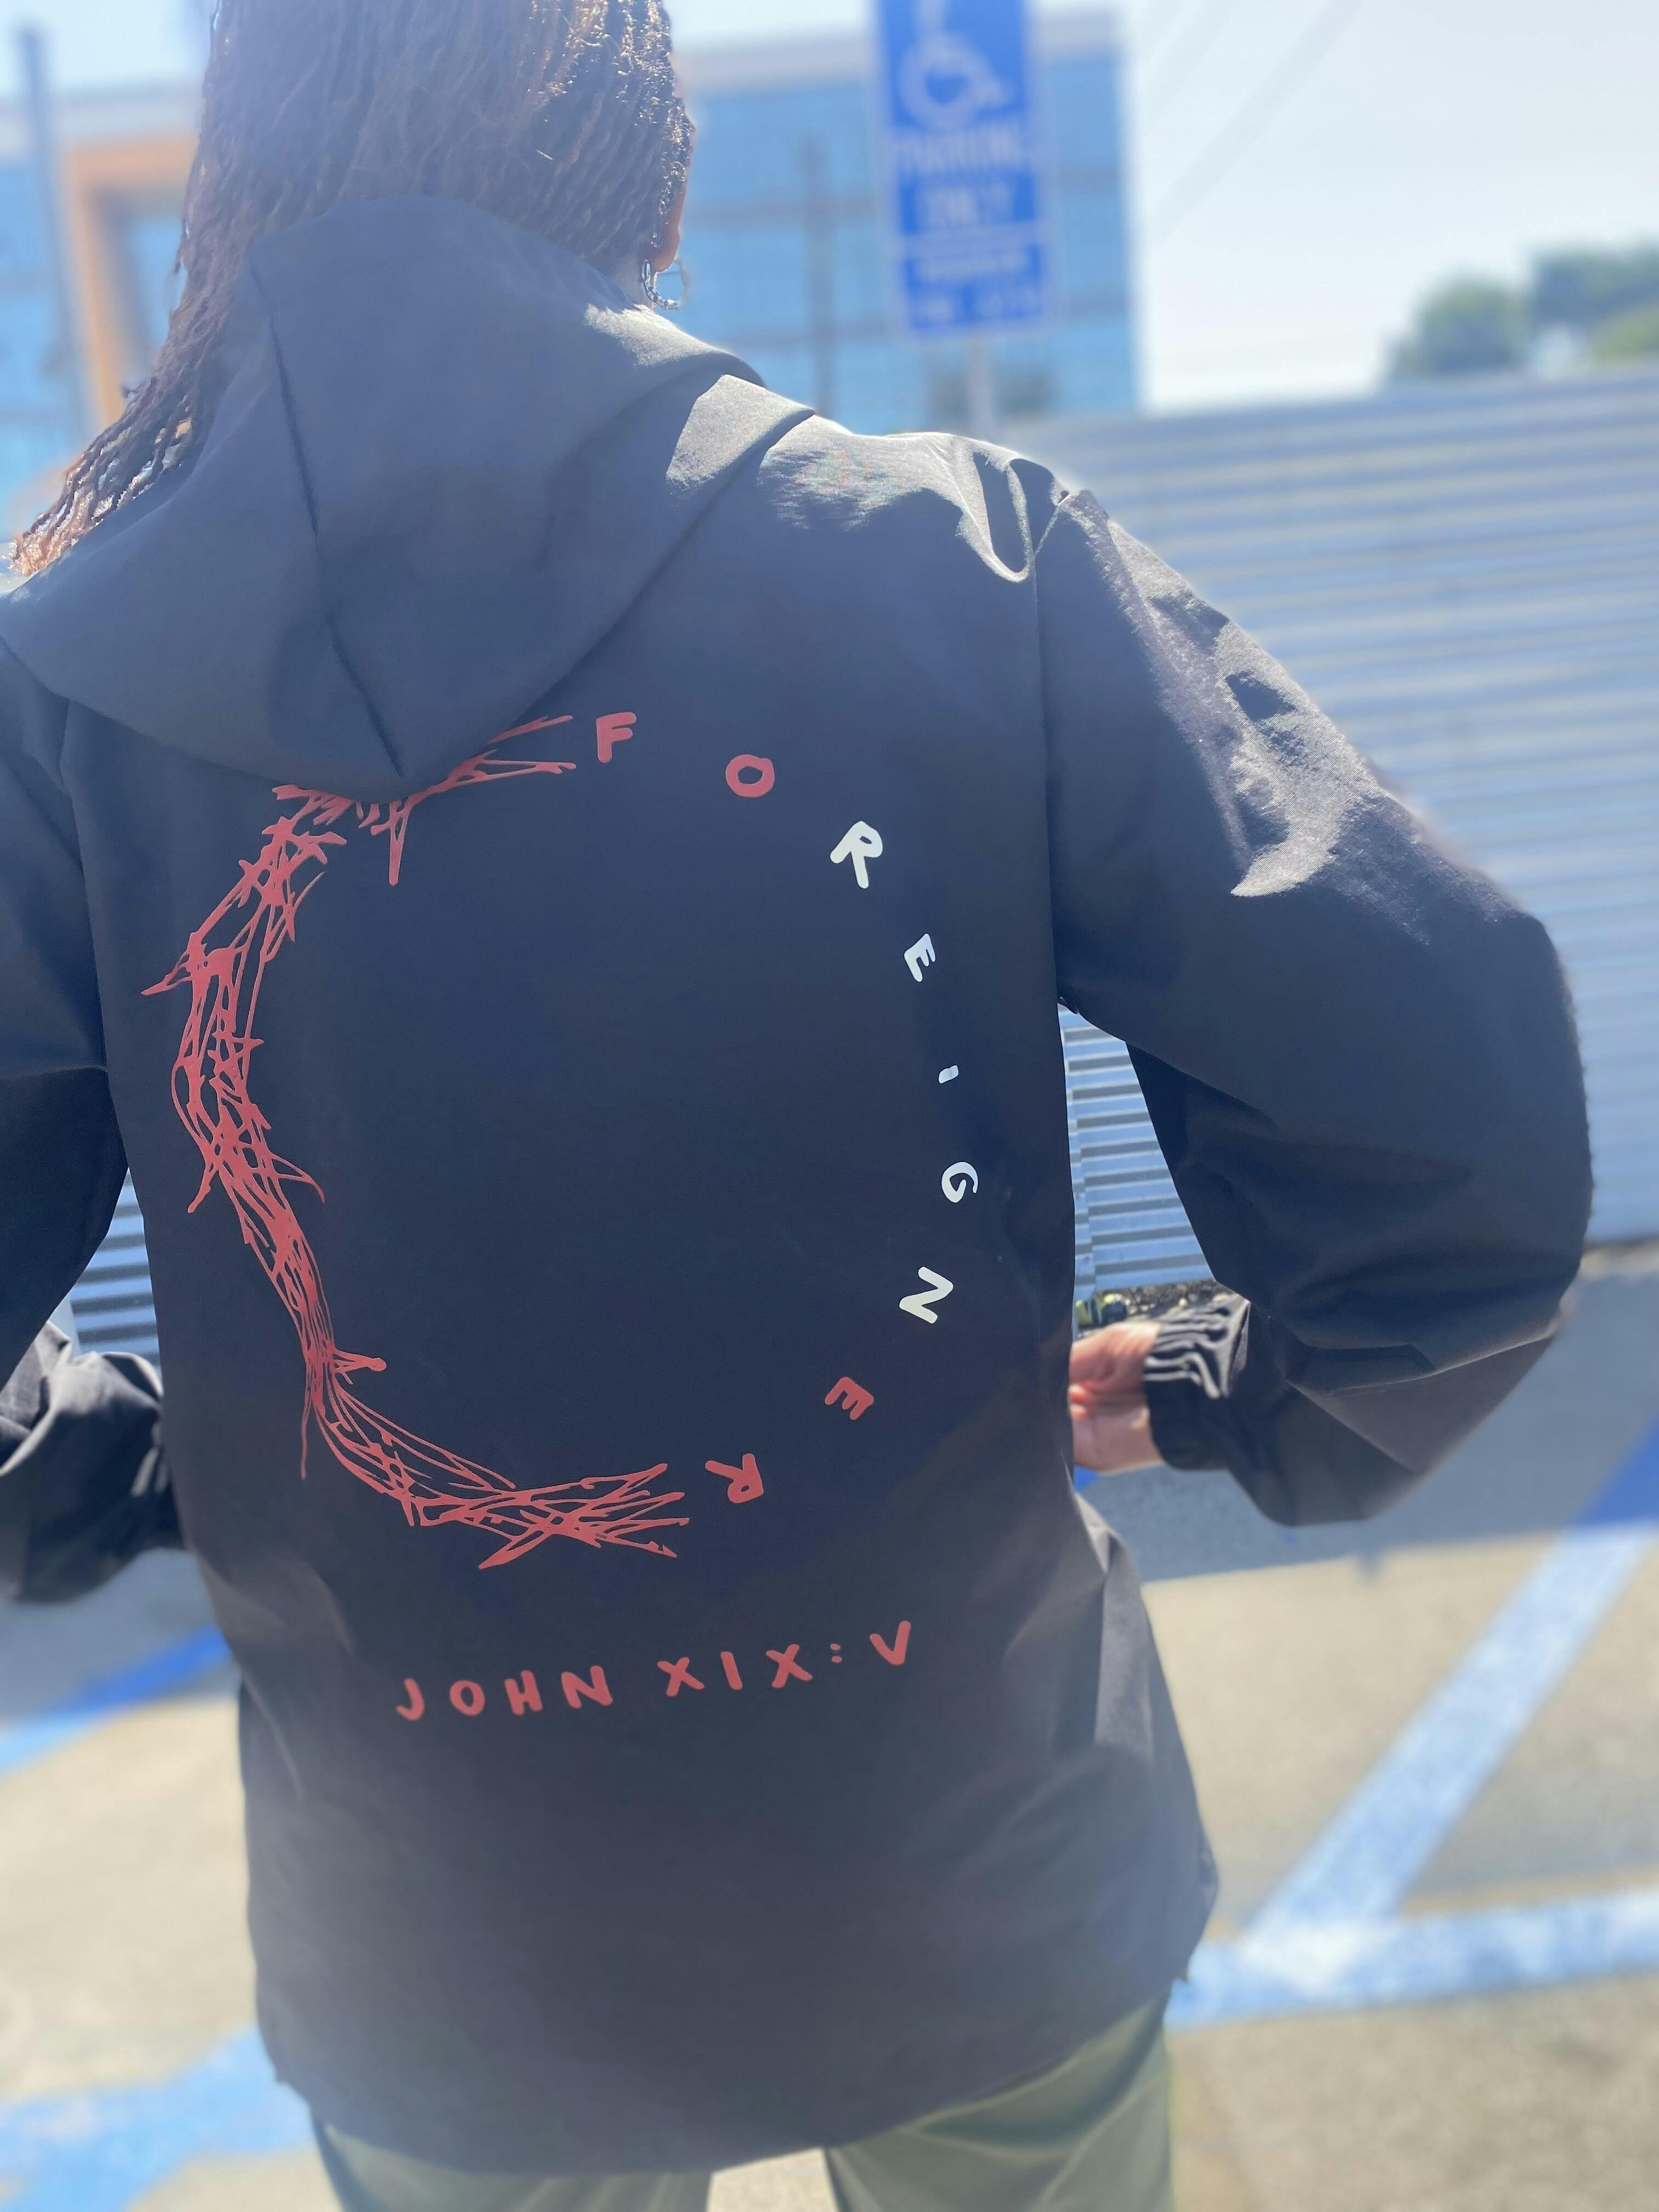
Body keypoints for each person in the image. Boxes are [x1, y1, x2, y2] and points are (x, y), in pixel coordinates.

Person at [0, 1, 1590, 2205]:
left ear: (232, 167)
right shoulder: (956, 568)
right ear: (637, 167)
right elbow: (1444, 1132)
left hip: (441, 1943)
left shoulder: (67, 699)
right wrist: (1242, 1388)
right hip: (976, 1850)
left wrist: (127, 1470)